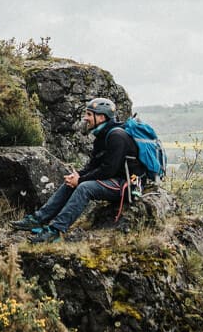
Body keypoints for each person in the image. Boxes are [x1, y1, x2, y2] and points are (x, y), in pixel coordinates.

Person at [11, 97, 137, 242]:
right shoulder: (101, 137)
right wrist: (77, 176)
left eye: (89, 114)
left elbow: (108, 170)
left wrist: (81, 180)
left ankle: (56, 231)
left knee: (84, 187)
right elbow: (93, 166)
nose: (86, 118)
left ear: (101, 117)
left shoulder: (117, 136)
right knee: (72, 181)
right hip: (113, 179)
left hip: (125, 184)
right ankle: (38, 219)